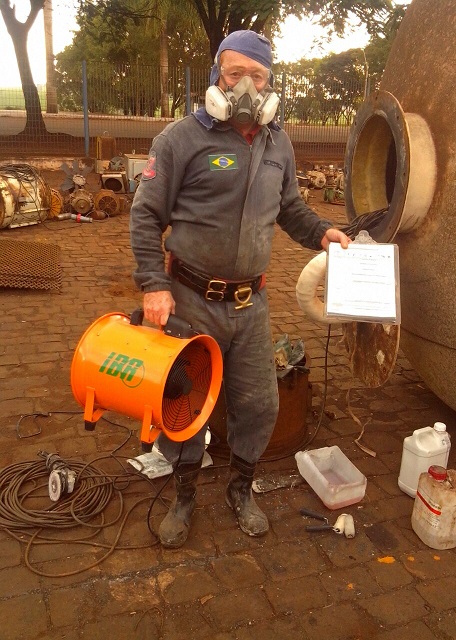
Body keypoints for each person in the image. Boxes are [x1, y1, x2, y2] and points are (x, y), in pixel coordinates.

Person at [129, 30, 351, 549]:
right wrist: (154, 285)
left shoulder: (279, 144)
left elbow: (290, 209)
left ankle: (240, 489)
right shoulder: (180, 140)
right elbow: (145, 215)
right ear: (217, 77)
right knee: (182, 402)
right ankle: (184, 497)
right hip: (189, 302)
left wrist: (323, 232)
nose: (246, 86)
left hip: (251, 306)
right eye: (235, 74)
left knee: (259, 404)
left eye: (257, 76)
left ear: (270, 83)